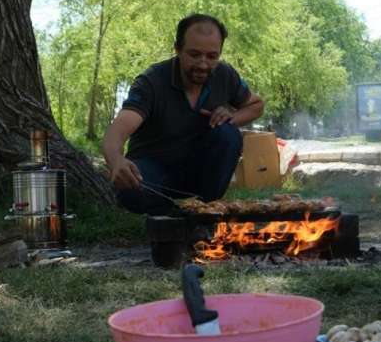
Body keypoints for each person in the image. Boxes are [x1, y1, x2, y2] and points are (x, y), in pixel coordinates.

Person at [102, 14, 265, 215]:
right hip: (154, 168)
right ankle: (168, 215)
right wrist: (116, 161)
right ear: (177, 49)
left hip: (199, 169)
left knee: (228, 134)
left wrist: (231, 116)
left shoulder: (225, 75)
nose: (203, 64)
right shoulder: (151, 82)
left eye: (212, 56)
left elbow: (256, 105)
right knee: (132, 190)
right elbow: (117, 131)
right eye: (194, 55)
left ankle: (206, 210)